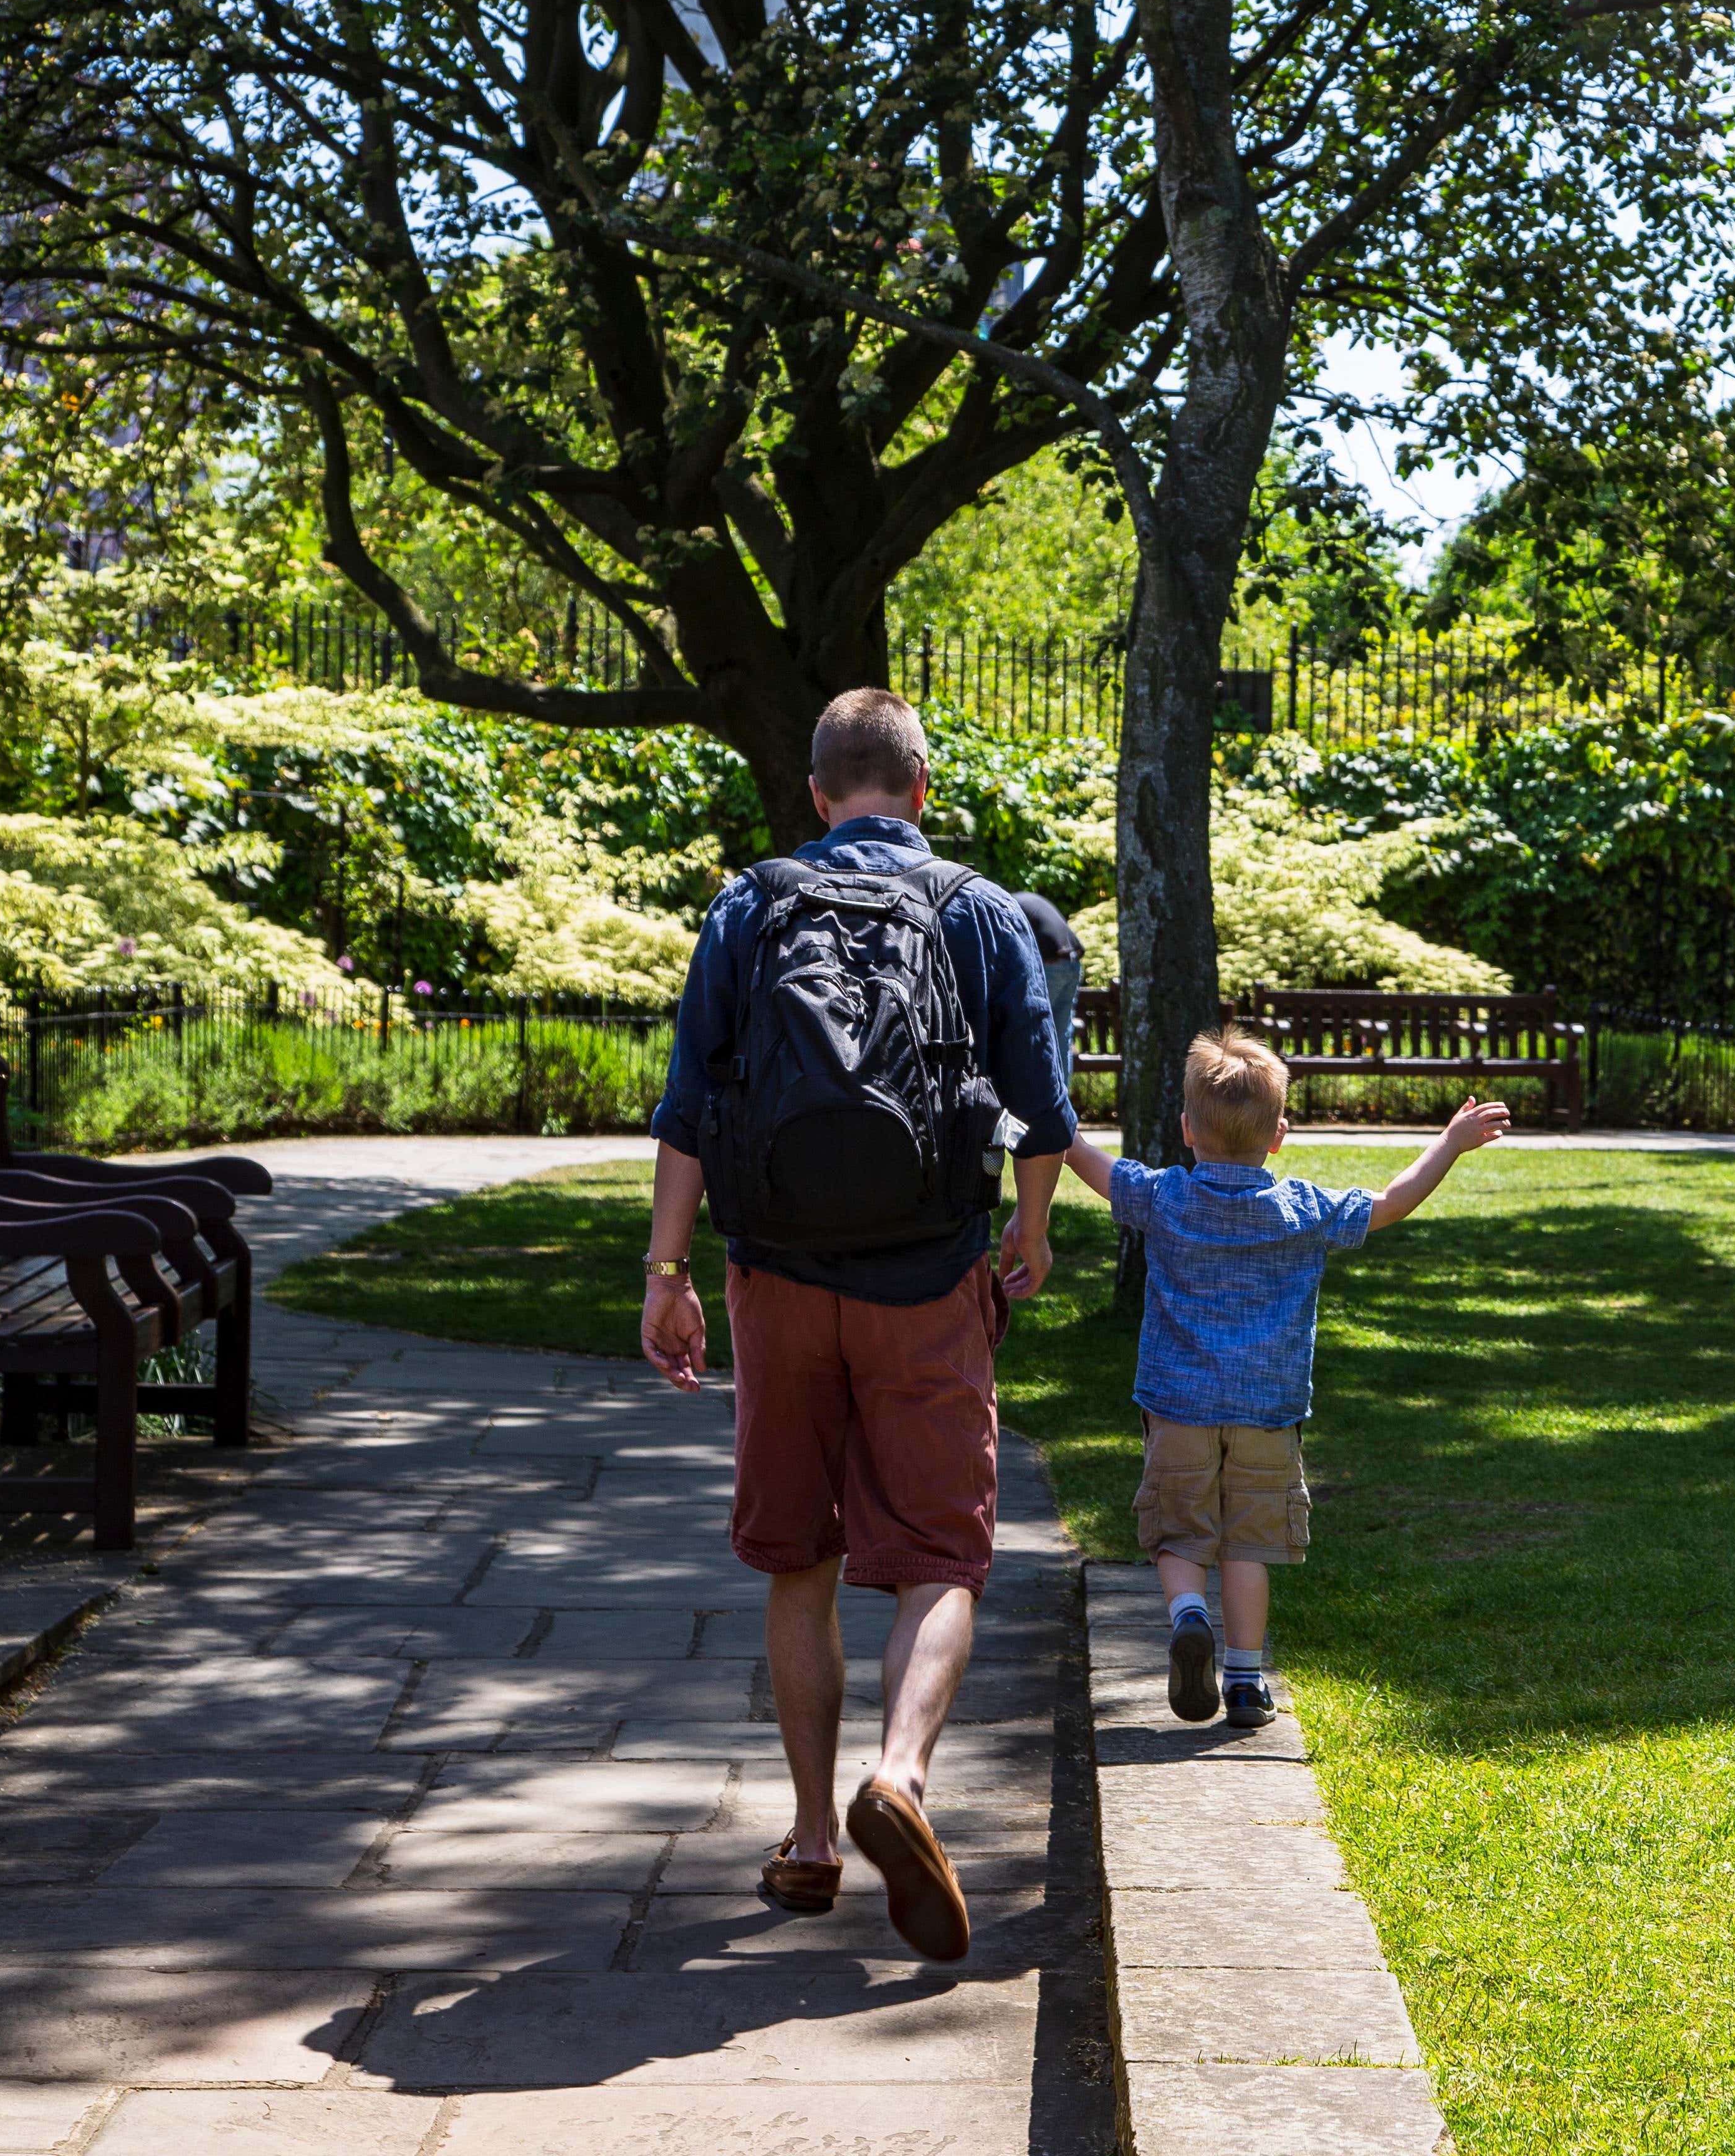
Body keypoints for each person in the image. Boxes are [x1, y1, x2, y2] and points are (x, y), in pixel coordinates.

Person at [641, 688, 1074, 1962]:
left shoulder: (750, 903)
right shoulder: (983, 912)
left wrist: (668, 1271)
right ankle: (901, 1777)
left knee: (799, 1560)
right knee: (943, 1555)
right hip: (930, 1278)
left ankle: (816, 1842)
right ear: (923, 790)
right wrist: (1029, 1231)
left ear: (819, 795)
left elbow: (686, 1108)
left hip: (776, 1278)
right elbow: (1042, 1114)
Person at [1061, 1029, 1507, 1727]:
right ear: (1279, 1135)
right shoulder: (1302, 1208)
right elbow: (1390, 1202)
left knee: (1179, 1537)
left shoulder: (1165, 1196)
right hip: (1269, 1415)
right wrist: (1449, 1143)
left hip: (1178, 1408)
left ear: (1186, 1129)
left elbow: (1089, 1163)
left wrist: (1047, 1111)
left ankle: (1187, 1616)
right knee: (1249, 1547)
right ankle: (1244, 1683)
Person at [1016, 888, 1084, 1086]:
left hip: (1051, 963)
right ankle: (1062, 1099)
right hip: (1073, 961)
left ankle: (1034, 1097)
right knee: (1061, 1033)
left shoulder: (1005, 905)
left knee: (1033, 1030)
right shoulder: (1028, 900)